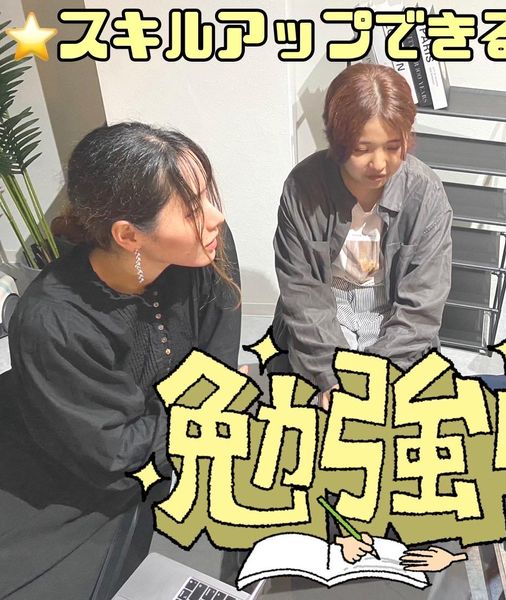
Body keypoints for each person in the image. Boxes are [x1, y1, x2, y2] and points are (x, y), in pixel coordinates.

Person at [0, 122, 241, 599]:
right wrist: (196, 424)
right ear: (128, 235)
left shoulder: (208, 249)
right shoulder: (53, 322)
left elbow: (217, 370)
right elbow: (113, 457)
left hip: (148, 445)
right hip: (65, 462)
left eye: (207, 197)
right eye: (193, 209)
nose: (215, 217)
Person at [271, 63, 453, 410]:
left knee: (397, 408)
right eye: (362, 149)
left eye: (393, 147)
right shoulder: (303, 187)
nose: (379, 163)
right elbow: (304, 294)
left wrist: (372, 378)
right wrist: (330, 377)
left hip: (391, 306)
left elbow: (422, 305)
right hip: (327, 302)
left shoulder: (425, 193)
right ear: (336, 140)